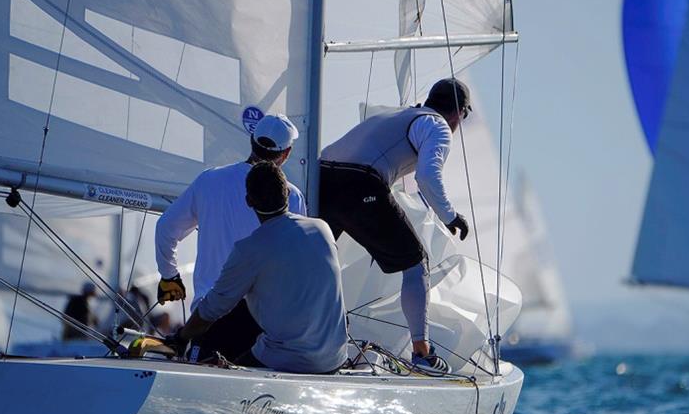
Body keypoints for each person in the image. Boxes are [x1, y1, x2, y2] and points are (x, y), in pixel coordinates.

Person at [319, 78, 472, 373]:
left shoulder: (398, 115)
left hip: (322, 177)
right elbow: (427, 177)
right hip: (359, 182)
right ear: (459, 113)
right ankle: (422, 353)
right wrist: (450, 216)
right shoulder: (438, 126)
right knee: (417, 262)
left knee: (316, 262)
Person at [166, 162, 348, 374]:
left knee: (222, 358)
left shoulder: (249, 249)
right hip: (335, 358)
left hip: (289, 360)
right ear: (287, 195)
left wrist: (180, 338)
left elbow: (211, 309)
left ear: (248, 201)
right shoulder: (322, 229)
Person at [155, 114, 307, 362]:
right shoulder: (293, 196)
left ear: (251, 141)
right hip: (263, 324)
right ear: (286, 153)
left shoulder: (209, 181)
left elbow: (165, 228)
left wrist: (169, 276)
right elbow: (296, 264)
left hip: (208, 319)